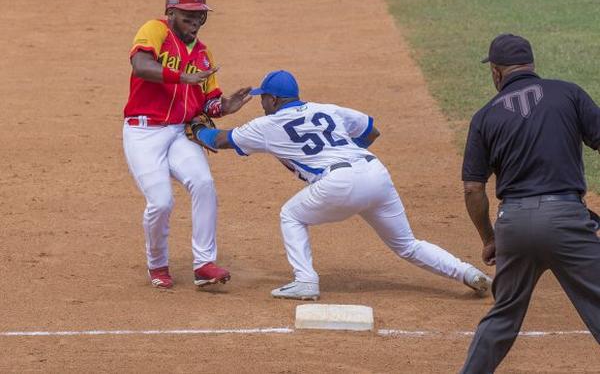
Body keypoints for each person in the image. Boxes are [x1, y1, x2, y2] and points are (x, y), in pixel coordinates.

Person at [186, 69, 492, 300]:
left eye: (263, 97)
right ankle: (468, 273)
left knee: (291, 215)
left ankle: (305, 280)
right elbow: (371, 131)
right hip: (374, 173)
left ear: (275, 99)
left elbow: (222, 140)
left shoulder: (268, 125)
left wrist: (198, 128)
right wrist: (343, 149)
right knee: (408, 245)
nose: (261, 102)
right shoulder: (326, 109)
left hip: (339, 182)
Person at [460, 34, 600, 373]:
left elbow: (472, 189)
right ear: (531, 65)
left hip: (515, 224)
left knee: (502, 316)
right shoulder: (569, 93)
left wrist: (490, 238)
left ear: (496, 72)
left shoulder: (485, 116)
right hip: (567, 221)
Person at [122, 0, 251, 289]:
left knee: (204, 184)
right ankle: (157, 263)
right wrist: (181, 77)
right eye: (188, 15)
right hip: (143, 132)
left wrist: (225, 106)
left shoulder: (203, 54)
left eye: (200, 16)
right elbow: (141, 66)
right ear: (171, 12)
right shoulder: (155, 30)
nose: (195, 21)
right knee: (161, 202)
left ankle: (204, 264)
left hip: (180, 132)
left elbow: (208, 100)